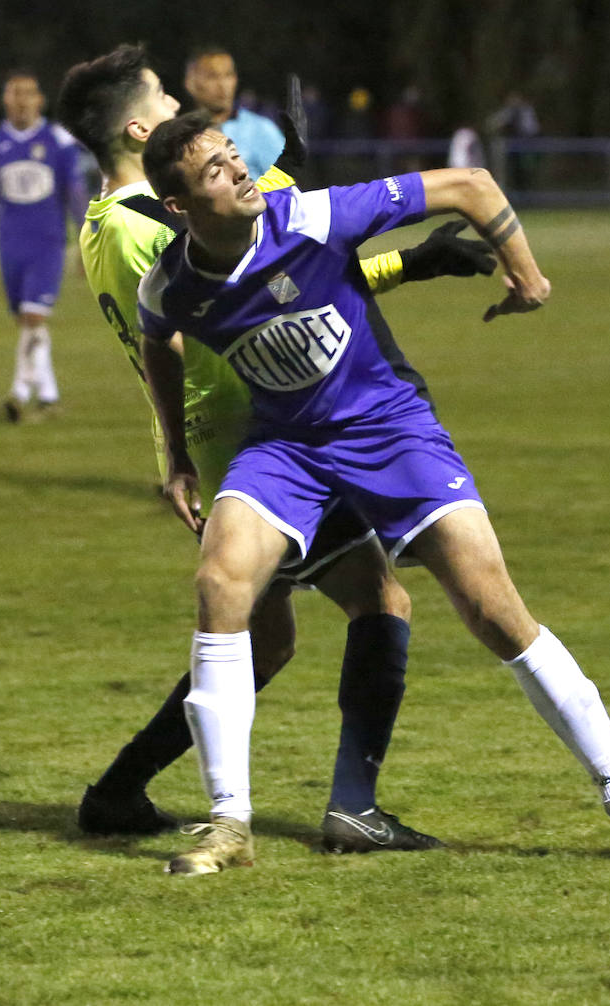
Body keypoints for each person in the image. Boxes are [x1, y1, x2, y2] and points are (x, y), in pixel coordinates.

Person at [138, 113, 610, 876]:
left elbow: (470, 185)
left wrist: (526, 272)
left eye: (235, 157)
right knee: (219, 579)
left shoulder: (311, 217)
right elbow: (156, 340)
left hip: (388, 428)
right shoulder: (172, 282)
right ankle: (229, 828)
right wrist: (177, 458)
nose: (238, 173)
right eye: (214, 171)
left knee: (492, 609)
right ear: (180, 207)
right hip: (289, 449)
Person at [56, 43, 496, 851]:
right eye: (165, 96)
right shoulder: (135, 230)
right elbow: (247, 315)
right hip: (253, 444)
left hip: (248, 438)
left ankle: (117, 793)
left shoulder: (114, 223)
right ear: (137, 126)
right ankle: (351, 809)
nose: (189, 105)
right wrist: (407, 261)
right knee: (379, 602)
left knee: (266, 640)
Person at [0, 71, 87, 421]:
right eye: (15, 93)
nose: (23, 100)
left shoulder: (58, 141)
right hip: (10, 242)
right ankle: (48, 394)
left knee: (33, 315)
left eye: (29, 93)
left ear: (40, 99)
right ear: (5, 100)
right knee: (28, 323)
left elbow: (75, 193)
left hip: (48, 242)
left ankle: (19, 391)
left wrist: (86, 236)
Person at [183, 45, 284, 179]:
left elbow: (286, 184)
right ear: (190, 83)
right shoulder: (180, 135)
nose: (223, 85)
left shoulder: (260, 129)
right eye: (212, 76)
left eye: (228, 75)